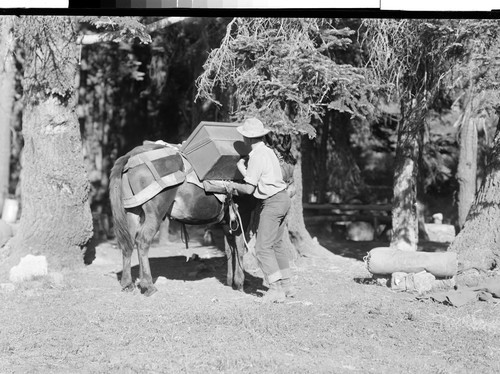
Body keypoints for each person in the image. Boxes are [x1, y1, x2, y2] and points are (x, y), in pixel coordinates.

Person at [223, 117, 295, 303]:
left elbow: (249, 189)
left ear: (247, 139)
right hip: (283, 199)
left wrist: (231, 185)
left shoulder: (255, 157)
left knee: (262, 248)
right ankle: (287, 286)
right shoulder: (269, 152)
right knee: (277, 245)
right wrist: (244, 170)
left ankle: (275, 289)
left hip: (271, 203)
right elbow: (262, 178)